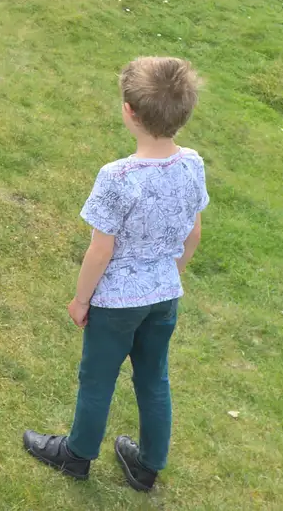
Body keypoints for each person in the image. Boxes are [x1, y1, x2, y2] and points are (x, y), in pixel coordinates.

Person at [22, 57, 208, 492]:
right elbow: (193, 234)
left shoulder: (118, 176)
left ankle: (77, 454)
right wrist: (167, 274)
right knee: (153, 376)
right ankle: (147, 466)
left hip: (116, 305)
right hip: (164, 297)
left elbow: (100, 250)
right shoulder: (192, 164)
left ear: (129, 111)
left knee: (98, 378)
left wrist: (81, 299)